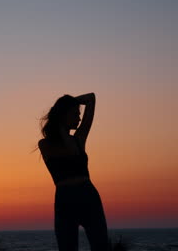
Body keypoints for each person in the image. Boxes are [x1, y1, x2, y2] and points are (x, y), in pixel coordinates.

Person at [38, 93, 108, 251]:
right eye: (75, 114)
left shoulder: (79, 139)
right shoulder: (45, 144)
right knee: (67, 247)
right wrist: (62, 108)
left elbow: (91, 98)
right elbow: (67, 150)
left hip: (88, 196)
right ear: (63, 115)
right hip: (65, 199)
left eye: (79, 114)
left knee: (101, 246)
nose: (79, 118)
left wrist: (70, 104)